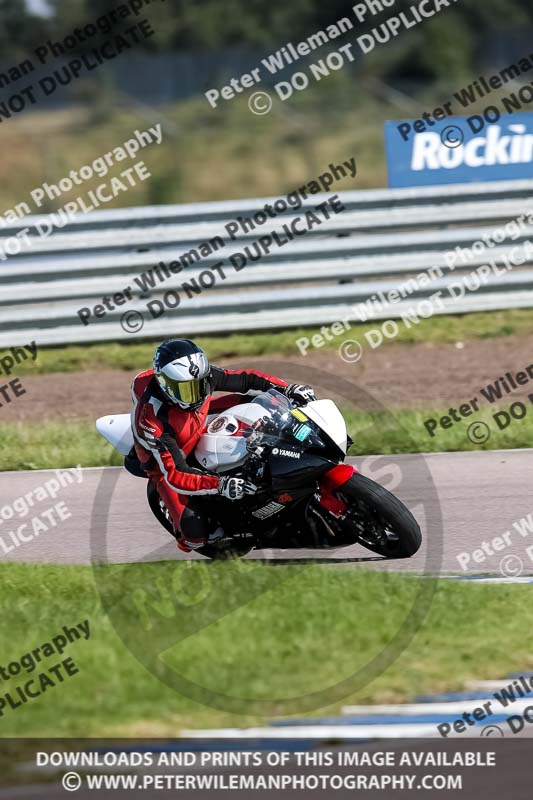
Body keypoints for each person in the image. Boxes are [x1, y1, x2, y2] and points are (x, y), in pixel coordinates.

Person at [131, 338, 316, 552]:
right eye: (187, 390)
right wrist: (221, 485)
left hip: (198, 422)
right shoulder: (151, 419)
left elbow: (247, 379)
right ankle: (190, 533)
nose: (197, 394)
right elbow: (176, 474)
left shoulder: (202, 377)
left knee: (253, 401)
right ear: (166, 386)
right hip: (167, 462)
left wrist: (287, 388)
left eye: (200, 385)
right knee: (195, 536)